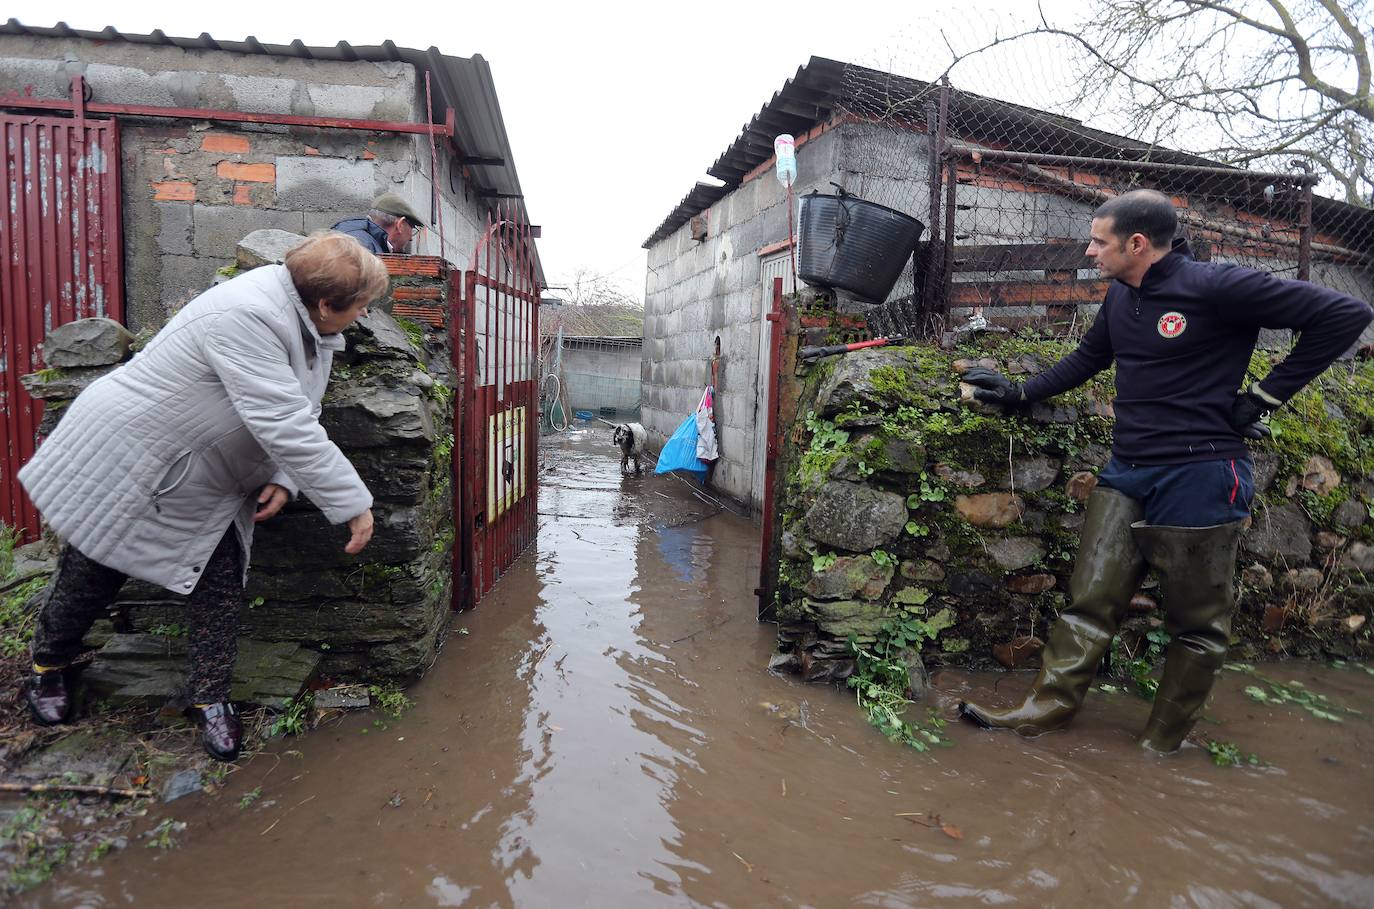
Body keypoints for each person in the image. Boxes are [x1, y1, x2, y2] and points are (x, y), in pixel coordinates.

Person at [957, 189, 1373, 753]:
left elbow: (1346, 314)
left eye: (1098, 242)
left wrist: (1264, 398)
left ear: (1136, 243)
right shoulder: (1121, 295)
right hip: (1128, 469)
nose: (1089, 251)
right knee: (1090, 600)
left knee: (1197, 624)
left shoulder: (1216, 286)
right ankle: (1045, 710)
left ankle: (1160, 745)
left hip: (1202, 473)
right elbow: (1090, 358)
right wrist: (1022, 391)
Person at [18, 232, 385, 762]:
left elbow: (296, 409)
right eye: (362, 306)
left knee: (217, 580)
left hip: (205, 469)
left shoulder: (307, 322)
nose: (364, 315)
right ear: (327, 303)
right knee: (94, 564)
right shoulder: (247, 315)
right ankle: (48, 666)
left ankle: (211, 698)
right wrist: (352, 503)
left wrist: (284, 476)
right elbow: (282, 420)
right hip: (136, 455)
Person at [331, 192, 425, 255]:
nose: (411, 238)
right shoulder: (363, 248)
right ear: (400, 225)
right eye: (412, 228)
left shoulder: (359, 240)